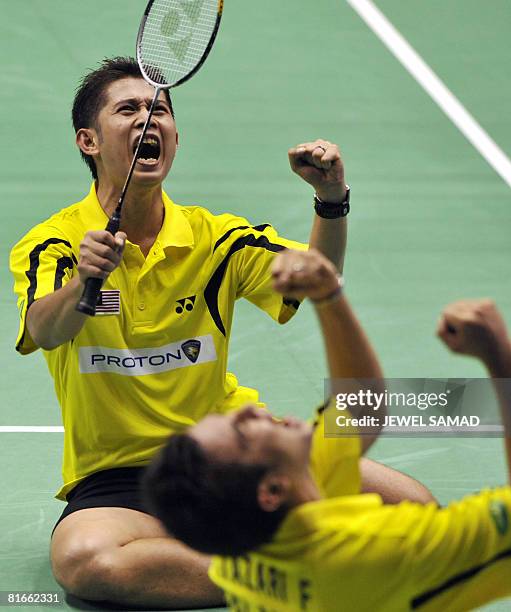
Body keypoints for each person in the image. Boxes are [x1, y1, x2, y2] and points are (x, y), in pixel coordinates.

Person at [10, 57, 434, 608]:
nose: (147, 120)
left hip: (226, 455)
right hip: (117, 476)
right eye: (129, 109)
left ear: (176, 140)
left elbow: (312, 280)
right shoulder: (55, 244)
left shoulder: (218, 239)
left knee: (412, 510)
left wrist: (331, 202)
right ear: (88, 141)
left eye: (158, 110)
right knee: (86, 560)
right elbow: (44, 328)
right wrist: (85, 283)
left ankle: (221, 548)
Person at [145, 248, 511, 612]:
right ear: (270, 491)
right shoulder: (374, 550)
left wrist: (328, 297)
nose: (251, 412)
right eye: (244, 433)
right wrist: (502, 360)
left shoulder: (240, 538)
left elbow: (359, 409)